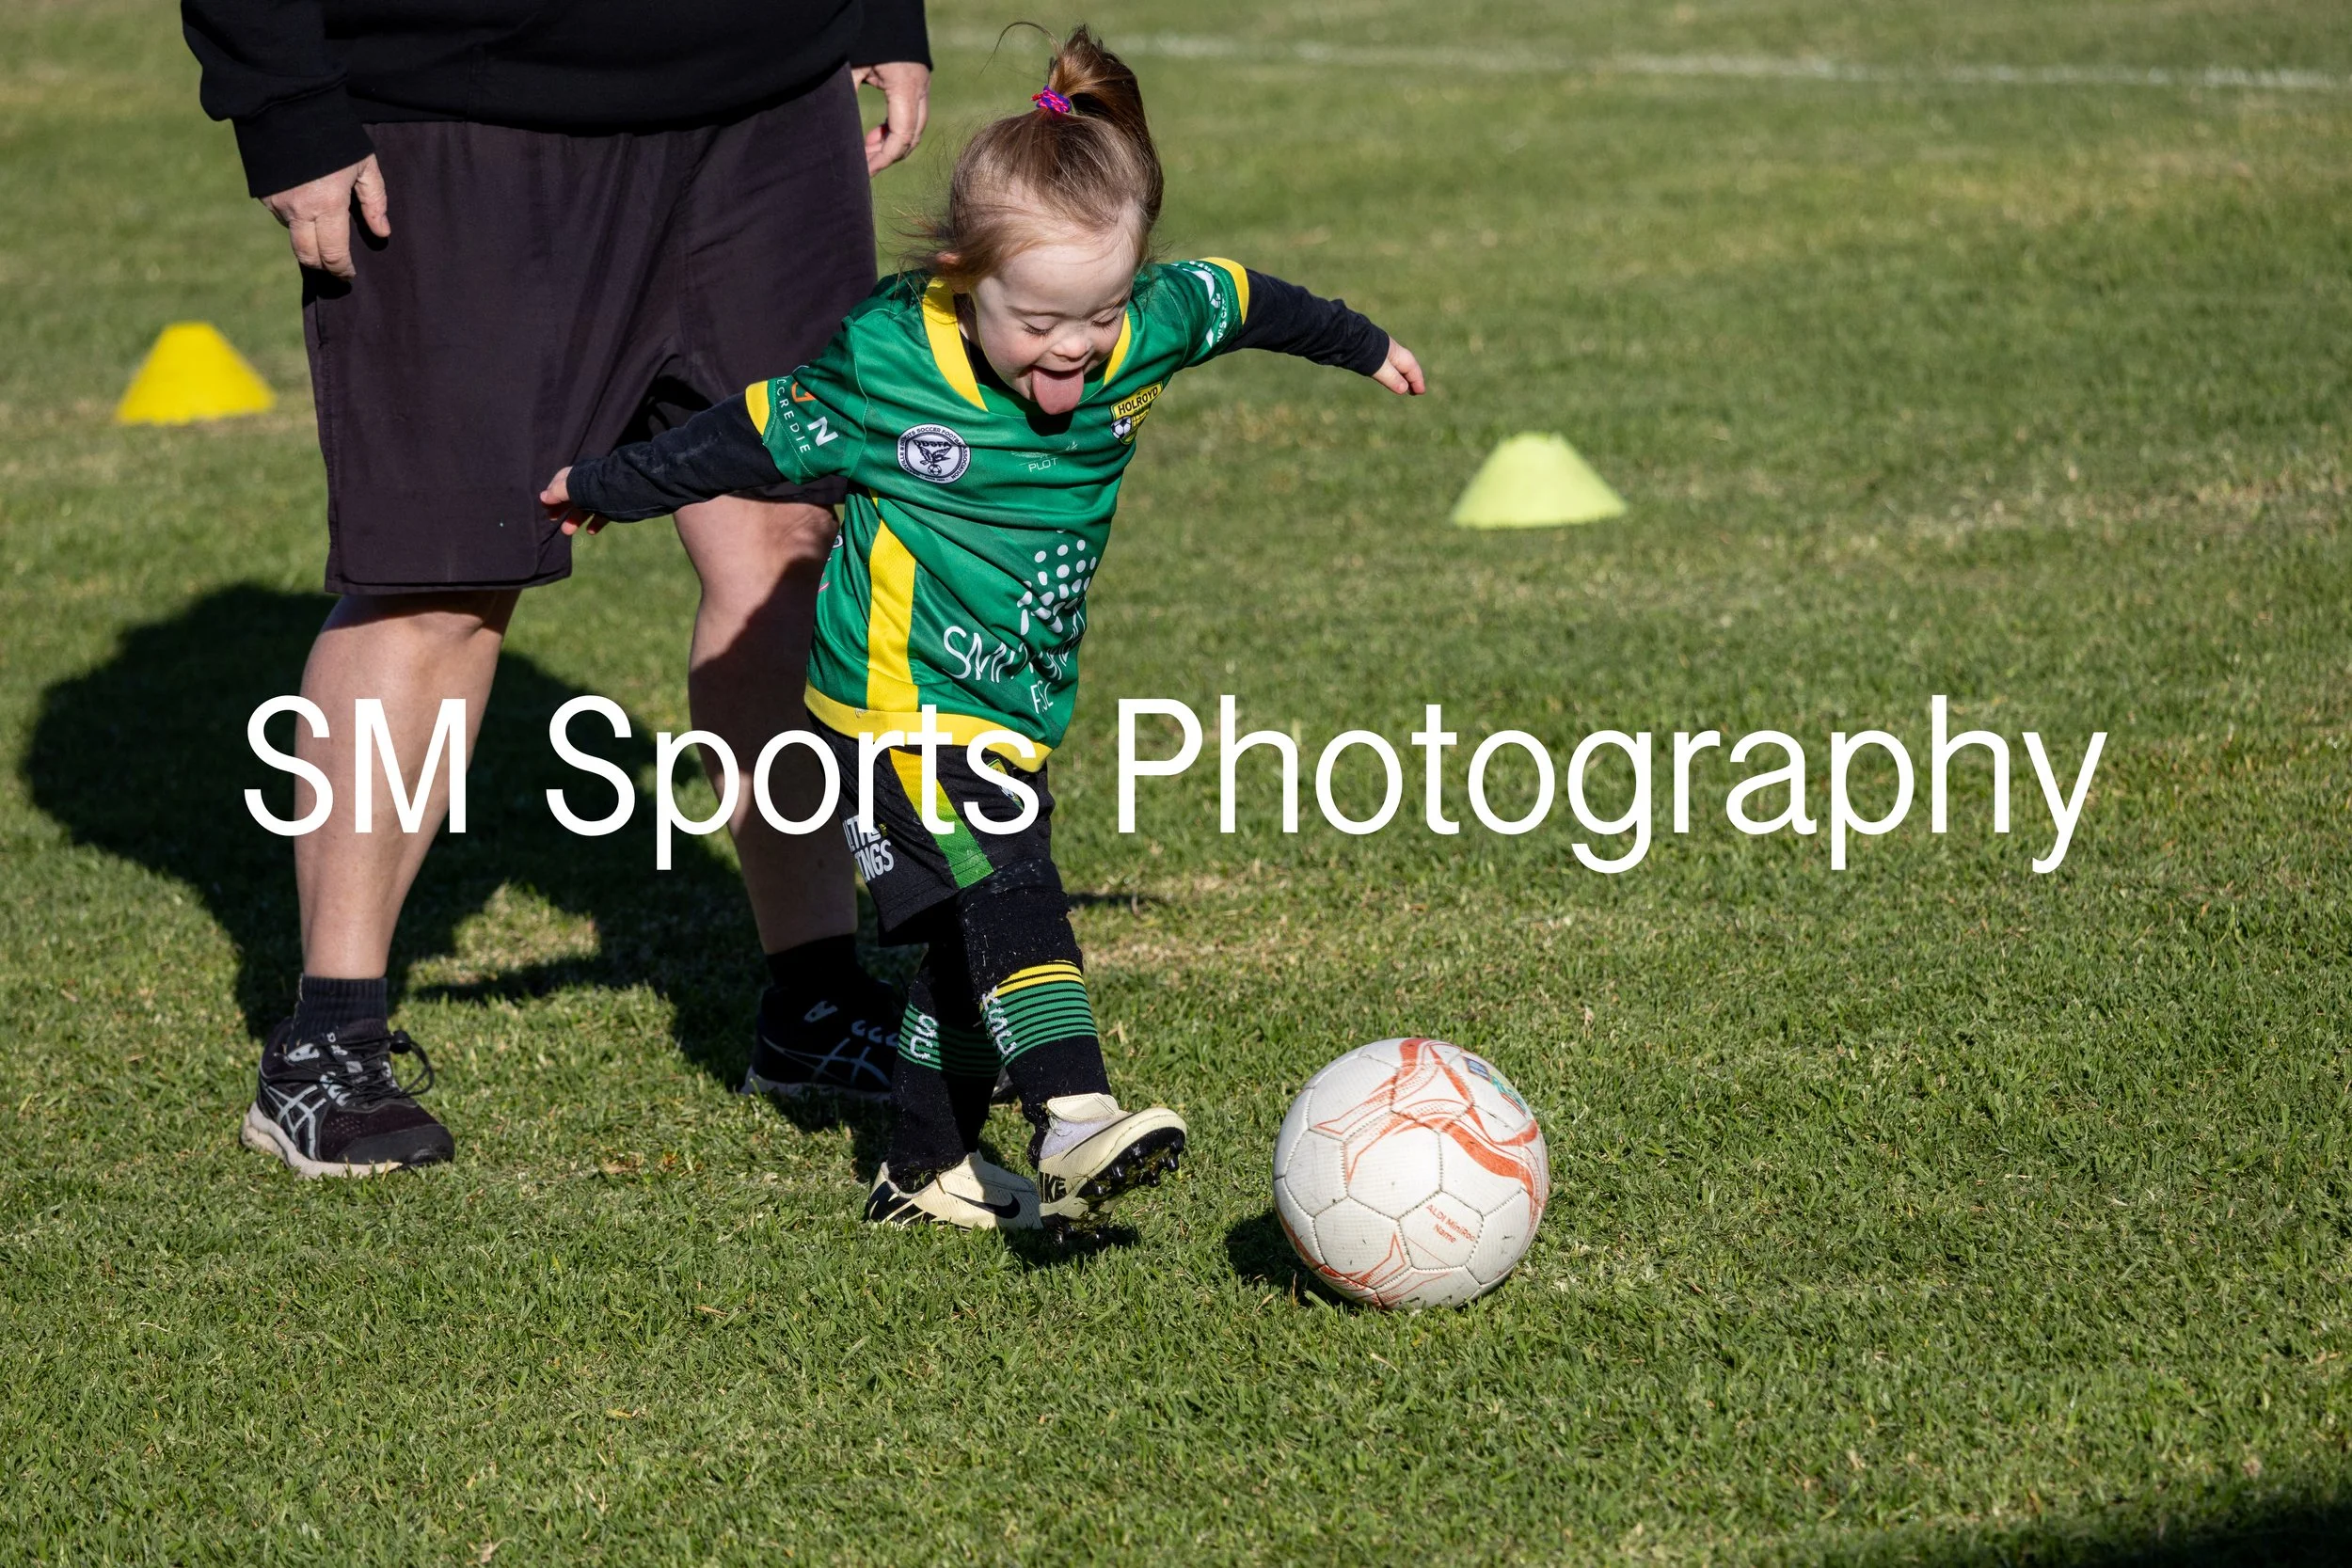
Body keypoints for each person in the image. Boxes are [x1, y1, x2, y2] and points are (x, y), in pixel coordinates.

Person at [543, 29, 1427, 1229]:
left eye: (1101, 312)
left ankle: (922, 1170)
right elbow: (744, 434)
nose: (1075, 346)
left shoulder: (1153, 319)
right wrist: (606, 482)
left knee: (969, 948)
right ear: (963, 276)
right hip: (891, 711)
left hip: (1014, 704)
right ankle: (1072, 1114)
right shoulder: (888, 363)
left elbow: (1247, 300)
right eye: (1042, 319)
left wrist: (1364, 345)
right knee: (1011, 887)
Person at [181, 0, 933, 1178]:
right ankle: (326, 1042)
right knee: (440, 577)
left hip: (769, 94)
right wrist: (284, 102)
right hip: (463, 100)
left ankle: (816, 996)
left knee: (792, 531)